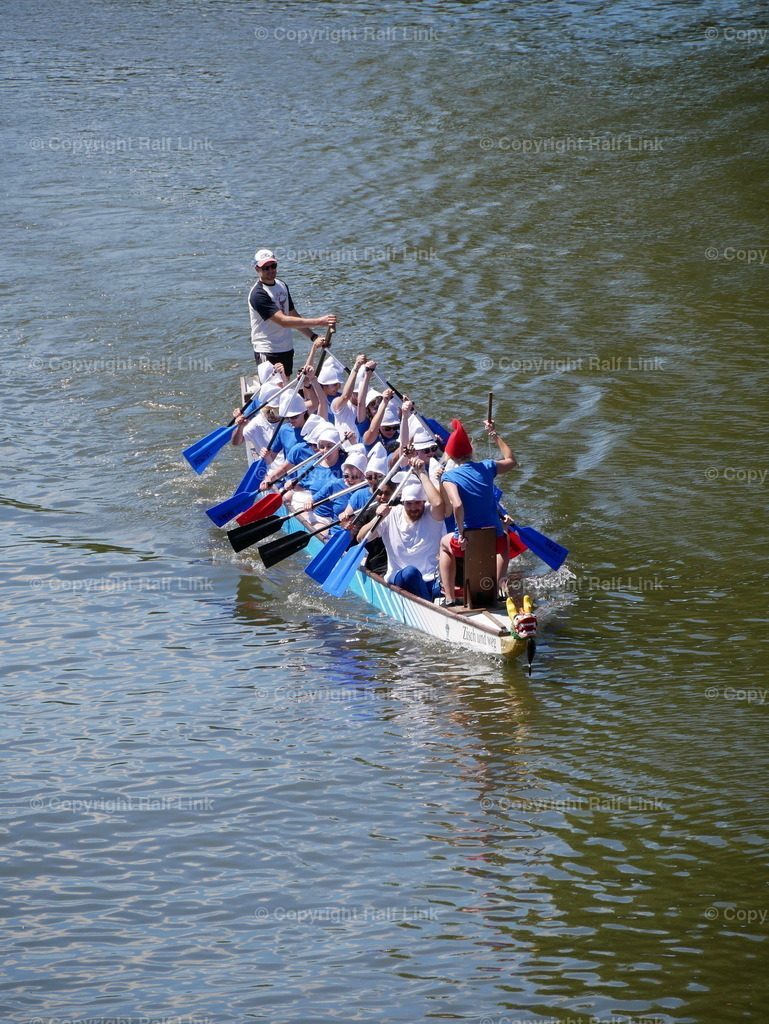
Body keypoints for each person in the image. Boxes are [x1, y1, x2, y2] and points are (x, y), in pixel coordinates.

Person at [438, 417, 517, 603]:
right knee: (505, 542)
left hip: (465, 542)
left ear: (450, 456)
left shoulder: (449, 476)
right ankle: (497, 588)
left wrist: (461, 535)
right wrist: (494, 434)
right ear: (471, 451)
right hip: (493, 539)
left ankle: (449, 597)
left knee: (443, 545)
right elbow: (511, 460)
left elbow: (457, 504)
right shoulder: (488, 466)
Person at [357, 459, 448, 602]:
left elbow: (437, 502)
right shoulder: (391, 514)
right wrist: (378, 518)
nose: (414, 508)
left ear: (424, 502)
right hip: (399, 576)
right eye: (409, 504)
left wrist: (421, 473)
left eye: (418, 503)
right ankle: (430, 607)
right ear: (403, 502)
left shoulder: (431, 515)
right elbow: (361, 538)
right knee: (411, 573)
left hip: (430, 580)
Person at [248, 248, 337, 376]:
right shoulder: (258, 294)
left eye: (273, 266)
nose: (270, 270)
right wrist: (319, 321)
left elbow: (292, 314)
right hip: (267, 350)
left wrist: (314, 337)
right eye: (265, 268)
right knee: (273, 390)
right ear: (257, 269)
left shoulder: (281, 285)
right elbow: (283, 321)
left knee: (285, 385)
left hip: (286, 348)